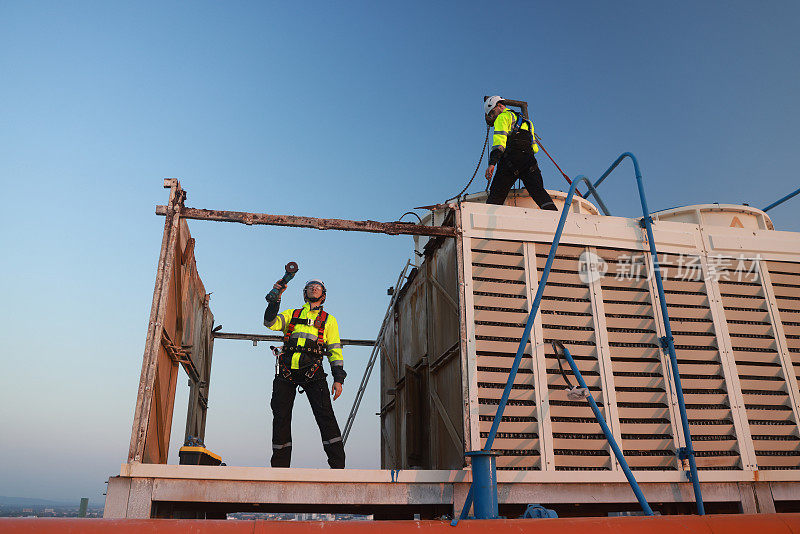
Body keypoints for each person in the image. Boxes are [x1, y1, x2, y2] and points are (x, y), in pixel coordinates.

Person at [263, 278, 346, 469]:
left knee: (325, 416)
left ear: (323, 294)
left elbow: (335, 350)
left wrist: (338, 379)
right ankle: (280, 470)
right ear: (305, 292)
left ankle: (338, 468)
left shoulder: (329, 320)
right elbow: (269, 322)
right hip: (286, 371)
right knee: (281, 417)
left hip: (313, 371)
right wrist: (275, 300)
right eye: (310, 286)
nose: (314, 287)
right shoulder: (292, 313)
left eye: (318, 286)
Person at [483, 95, 557, 210]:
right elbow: (535, 149)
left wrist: (492, 163)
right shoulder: (528, 122)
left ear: (499, 106)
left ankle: (485, 225)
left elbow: (499, 144)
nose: (493, 116)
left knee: (496, 196)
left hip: (510, 162)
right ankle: (556, 219)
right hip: (529, 162)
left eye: (492, 113)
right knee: (540, 194)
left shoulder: (502, 118)